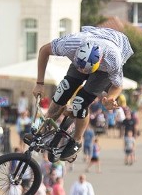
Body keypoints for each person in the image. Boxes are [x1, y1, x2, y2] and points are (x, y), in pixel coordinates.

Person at [32, 26, 133, 160]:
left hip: (108, 62)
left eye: (87, 71)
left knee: (80, 103)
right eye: (82, 70)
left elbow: (117, 86)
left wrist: (110, 98)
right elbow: (44, 50)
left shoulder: (112, 59)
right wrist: (39, 84)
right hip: (86, 50)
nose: (85, 74)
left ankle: (77, 140)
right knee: (63, 90)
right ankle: (44, 128)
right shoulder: (70, 44)